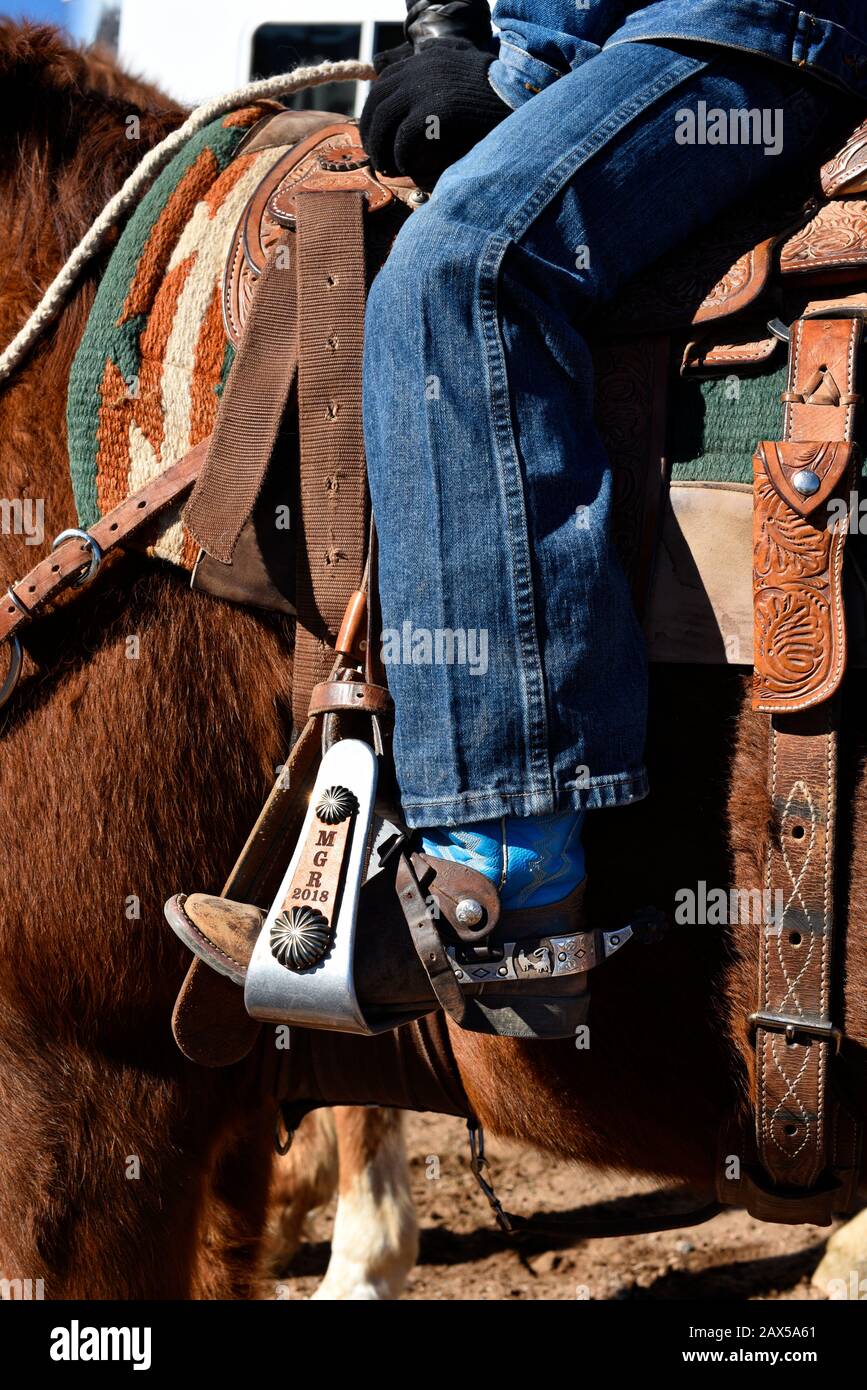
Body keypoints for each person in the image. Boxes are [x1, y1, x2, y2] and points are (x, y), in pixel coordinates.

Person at [358, 0, 867, 913]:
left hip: (745, 26)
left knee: (461, 269)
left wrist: (516, 70)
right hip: (665, 34)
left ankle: (508, 865)